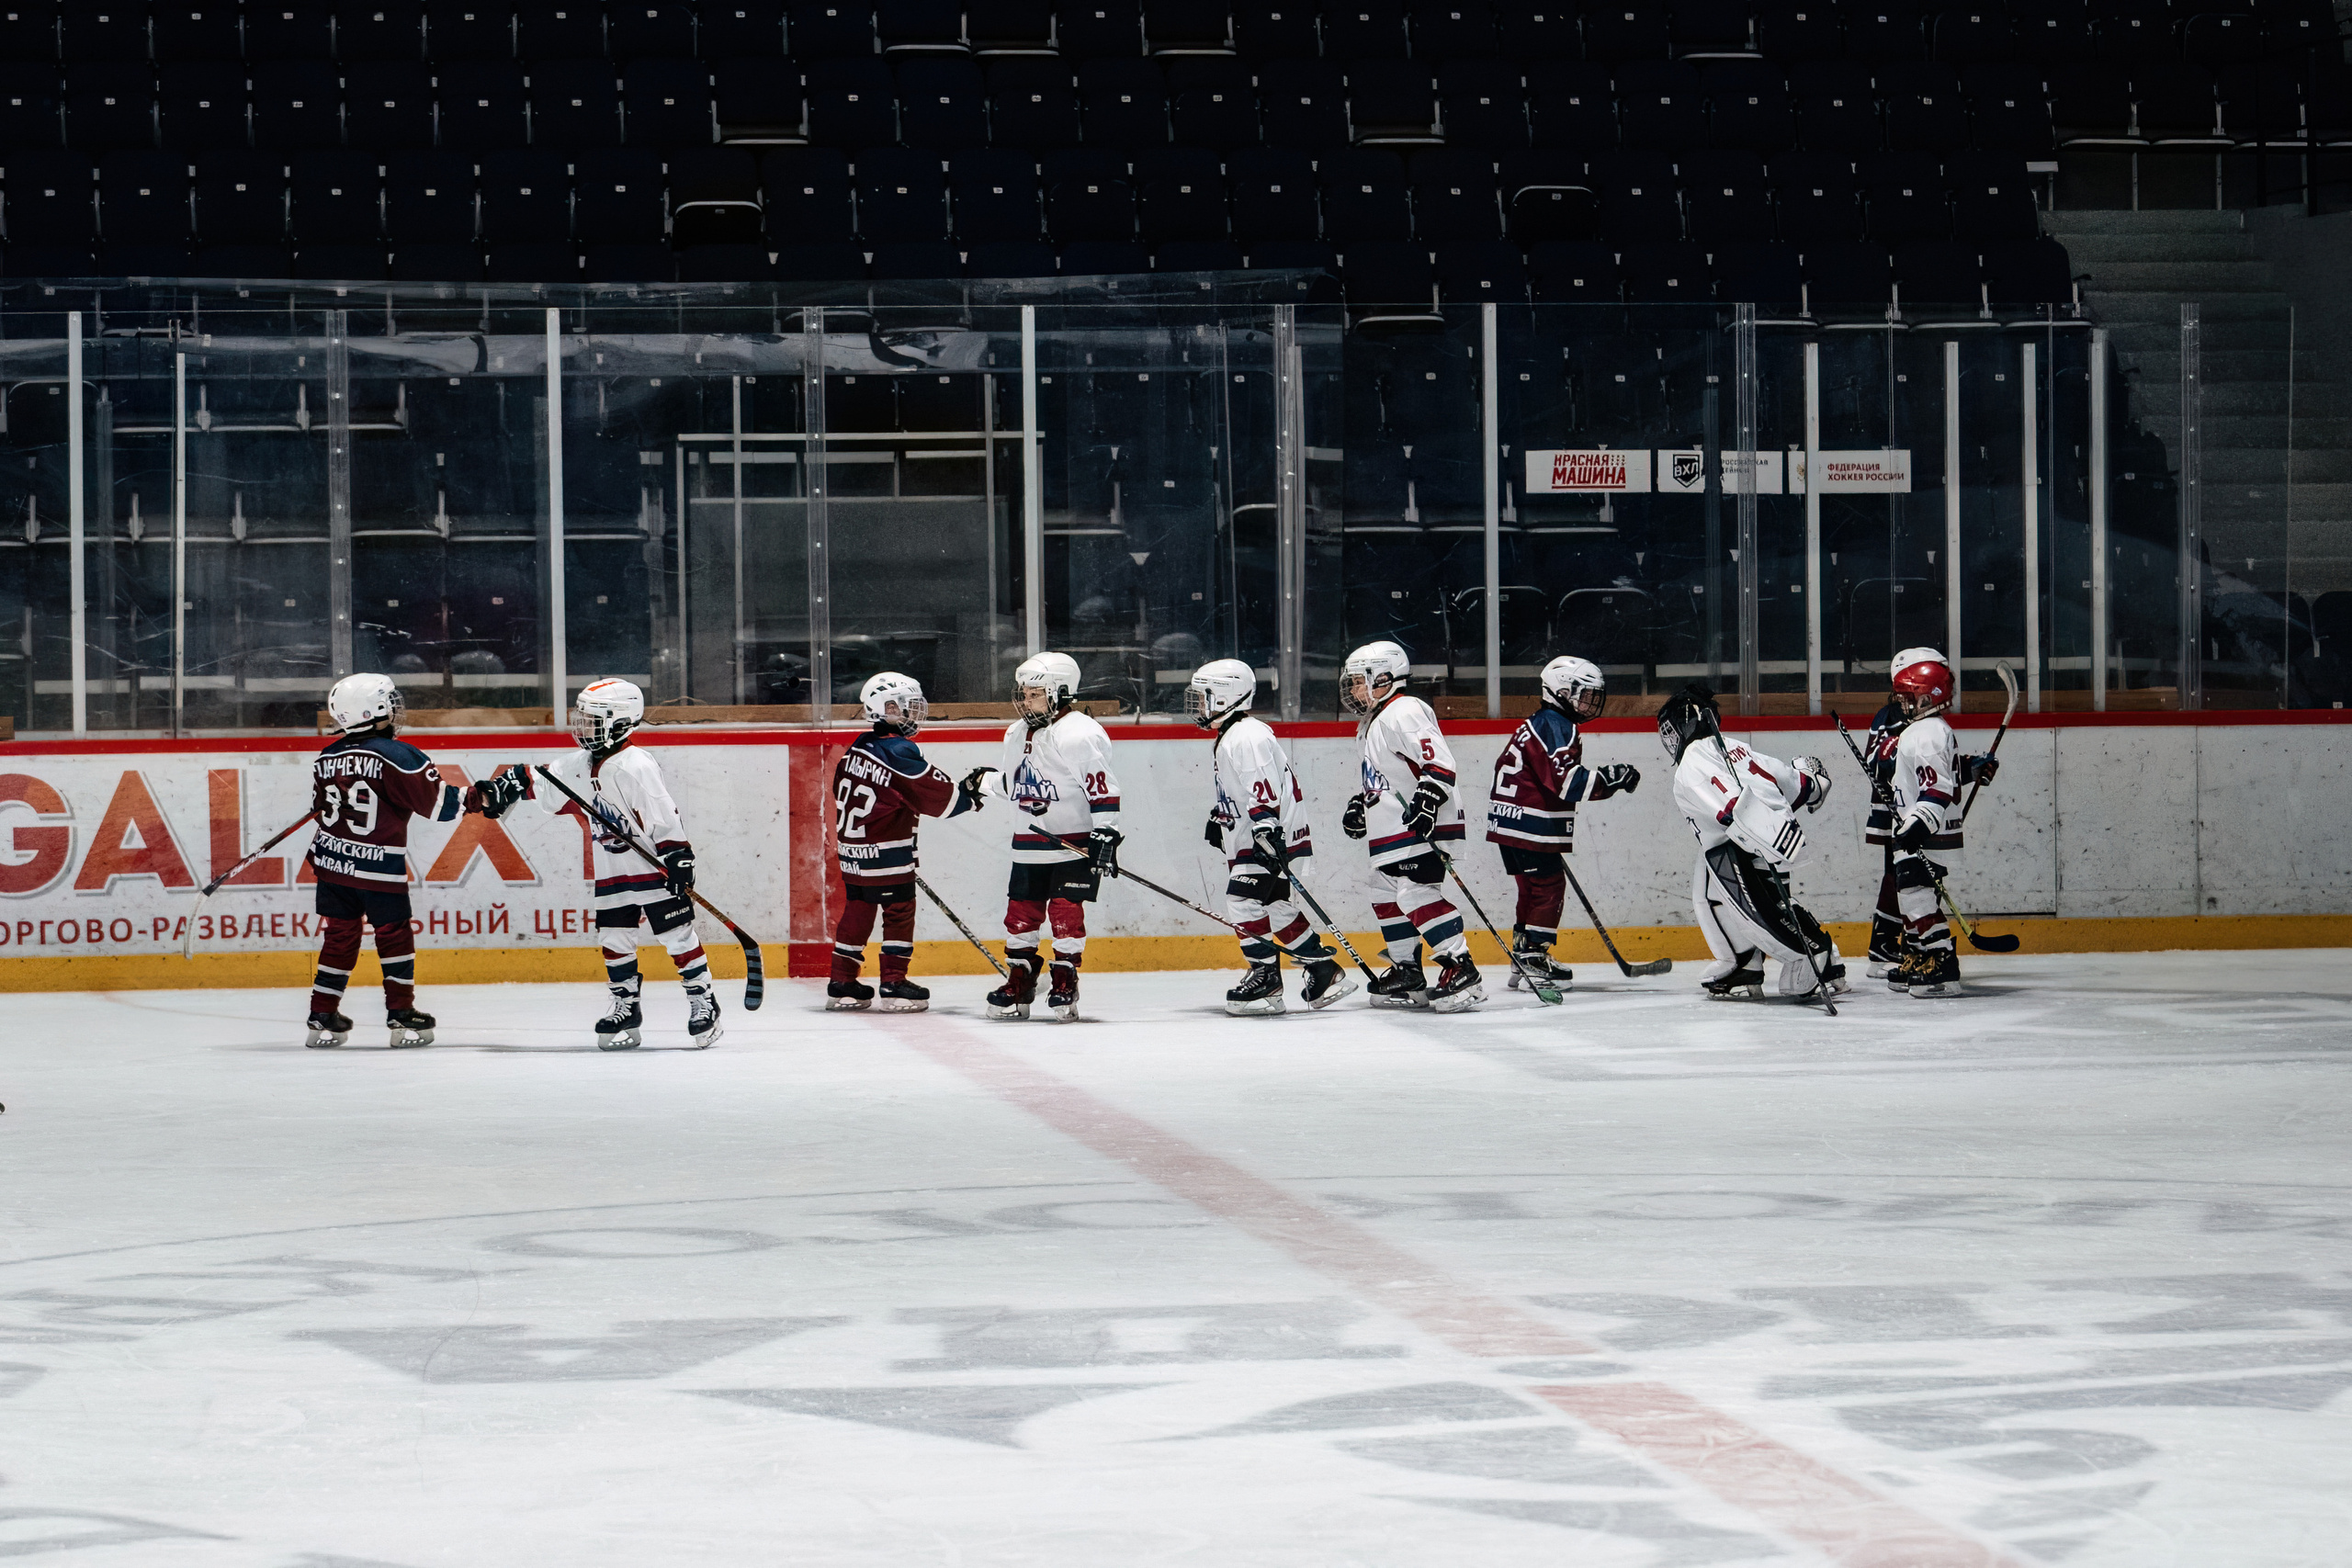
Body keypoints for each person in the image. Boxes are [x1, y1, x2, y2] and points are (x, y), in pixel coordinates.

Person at [474, 678, 720, 1050]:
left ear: (621, 722)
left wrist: (678, 857)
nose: (583, 727)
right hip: (612, 871)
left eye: (593, 720)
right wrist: (501, 788)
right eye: (583, 719)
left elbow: (662, 815)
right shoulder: (578, 764)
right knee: (614, 939)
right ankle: (626, 1004)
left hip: (653, 868)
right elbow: (537, 780)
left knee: (676, 935)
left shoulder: (636, 765)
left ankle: (703, 1000)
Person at [303, 672, 470, 1049]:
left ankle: (322, 1011)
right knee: (394, 935)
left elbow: (321, 810)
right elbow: (443, 807)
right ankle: (400, 1011)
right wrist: (485, 797)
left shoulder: (327, 756)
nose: (396, 709)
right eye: (390, 702)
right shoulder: (398, 754)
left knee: (340, 936)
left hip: (333, 866)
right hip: (378, 867)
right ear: (374, 710)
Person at [1658, 684, 1847, 1001]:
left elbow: (1729, 808)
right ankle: (1746, 961)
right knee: (1712, 892)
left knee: (1766, 909)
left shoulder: (1693, 759)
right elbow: (1798, 786)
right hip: (1776, 840)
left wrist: (1754, 834)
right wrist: (1815, 781)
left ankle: (1813, 953)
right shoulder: (1738, 748)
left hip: (1745, 844)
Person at [1189, 658, 1355, 1015]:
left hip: (1265, 835)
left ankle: (1266, 978)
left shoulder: (1246, 735)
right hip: (1260, 833)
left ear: (1225, 696)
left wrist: (1265, 830)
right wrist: (1221, 817)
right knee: (1273, 905)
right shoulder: (1236, 733)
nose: (1198, 705)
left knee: (1242, 901)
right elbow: (1248, 789)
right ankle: (1322, 967)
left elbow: (1264, 790)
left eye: (1204, 697)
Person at [970, 651, 1119, 1021]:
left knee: (1066, 914)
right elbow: (1016, 784)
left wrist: (1106, 831)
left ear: (1062, 692)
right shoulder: (1016, 732)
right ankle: (1020, 978)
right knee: (1020, 914)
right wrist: (983, 783)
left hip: (1072, 845)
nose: (1024, 700)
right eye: (1022, 692)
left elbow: (1102, 788)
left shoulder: (1079, 733)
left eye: (1034, 693)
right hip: (1028, 845)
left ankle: (1065, 978)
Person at [825, 671, 987, 1012]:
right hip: (887, 853)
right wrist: (969, 796)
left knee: (858, 907)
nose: (915, 714)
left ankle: (841, 981)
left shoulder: (858, 746)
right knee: (899, 912)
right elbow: (939, 800)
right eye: (908, 707)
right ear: (888, 709)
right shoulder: (899, 750)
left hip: (853, 853)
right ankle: (894, 983)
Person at [1337, 639, 1483, 1012]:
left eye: (1358, 681)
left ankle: (1460, 965)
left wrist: (1429, 799)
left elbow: (1439, 762)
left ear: (1382, 677)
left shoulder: (1405, 709)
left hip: (1423, 822)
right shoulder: (1373, 721)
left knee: (1415, 894)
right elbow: (1382, 778)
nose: (1352, 690)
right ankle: (1407, 971)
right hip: (1392, 827)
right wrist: (1360, 805)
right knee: (1383, 892)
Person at [1484, 654, 1641, 992]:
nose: (1589, 702)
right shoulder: (1557, 725)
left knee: (1530, 890)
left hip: (1507, 823)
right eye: (1583, 694)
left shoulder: (1539, 722)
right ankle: (1535, 960)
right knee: (1548, 889)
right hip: (1530, 824)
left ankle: (1523, 958)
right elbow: (1570, 783)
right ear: (1561, 691)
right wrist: (1614, 777)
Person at [1867, 650, 1997, 997]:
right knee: (1912, 896)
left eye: (1908, 696)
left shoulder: (1925, 732)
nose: (1902, 703)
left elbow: (1936, 785)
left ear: (1928, 696)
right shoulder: (1926, 729)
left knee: (1916, 898)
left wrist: (1920, 824)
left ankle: (1942, 962)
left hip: (1927, 833)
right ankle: (1918, 956)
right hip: (1923, 830)